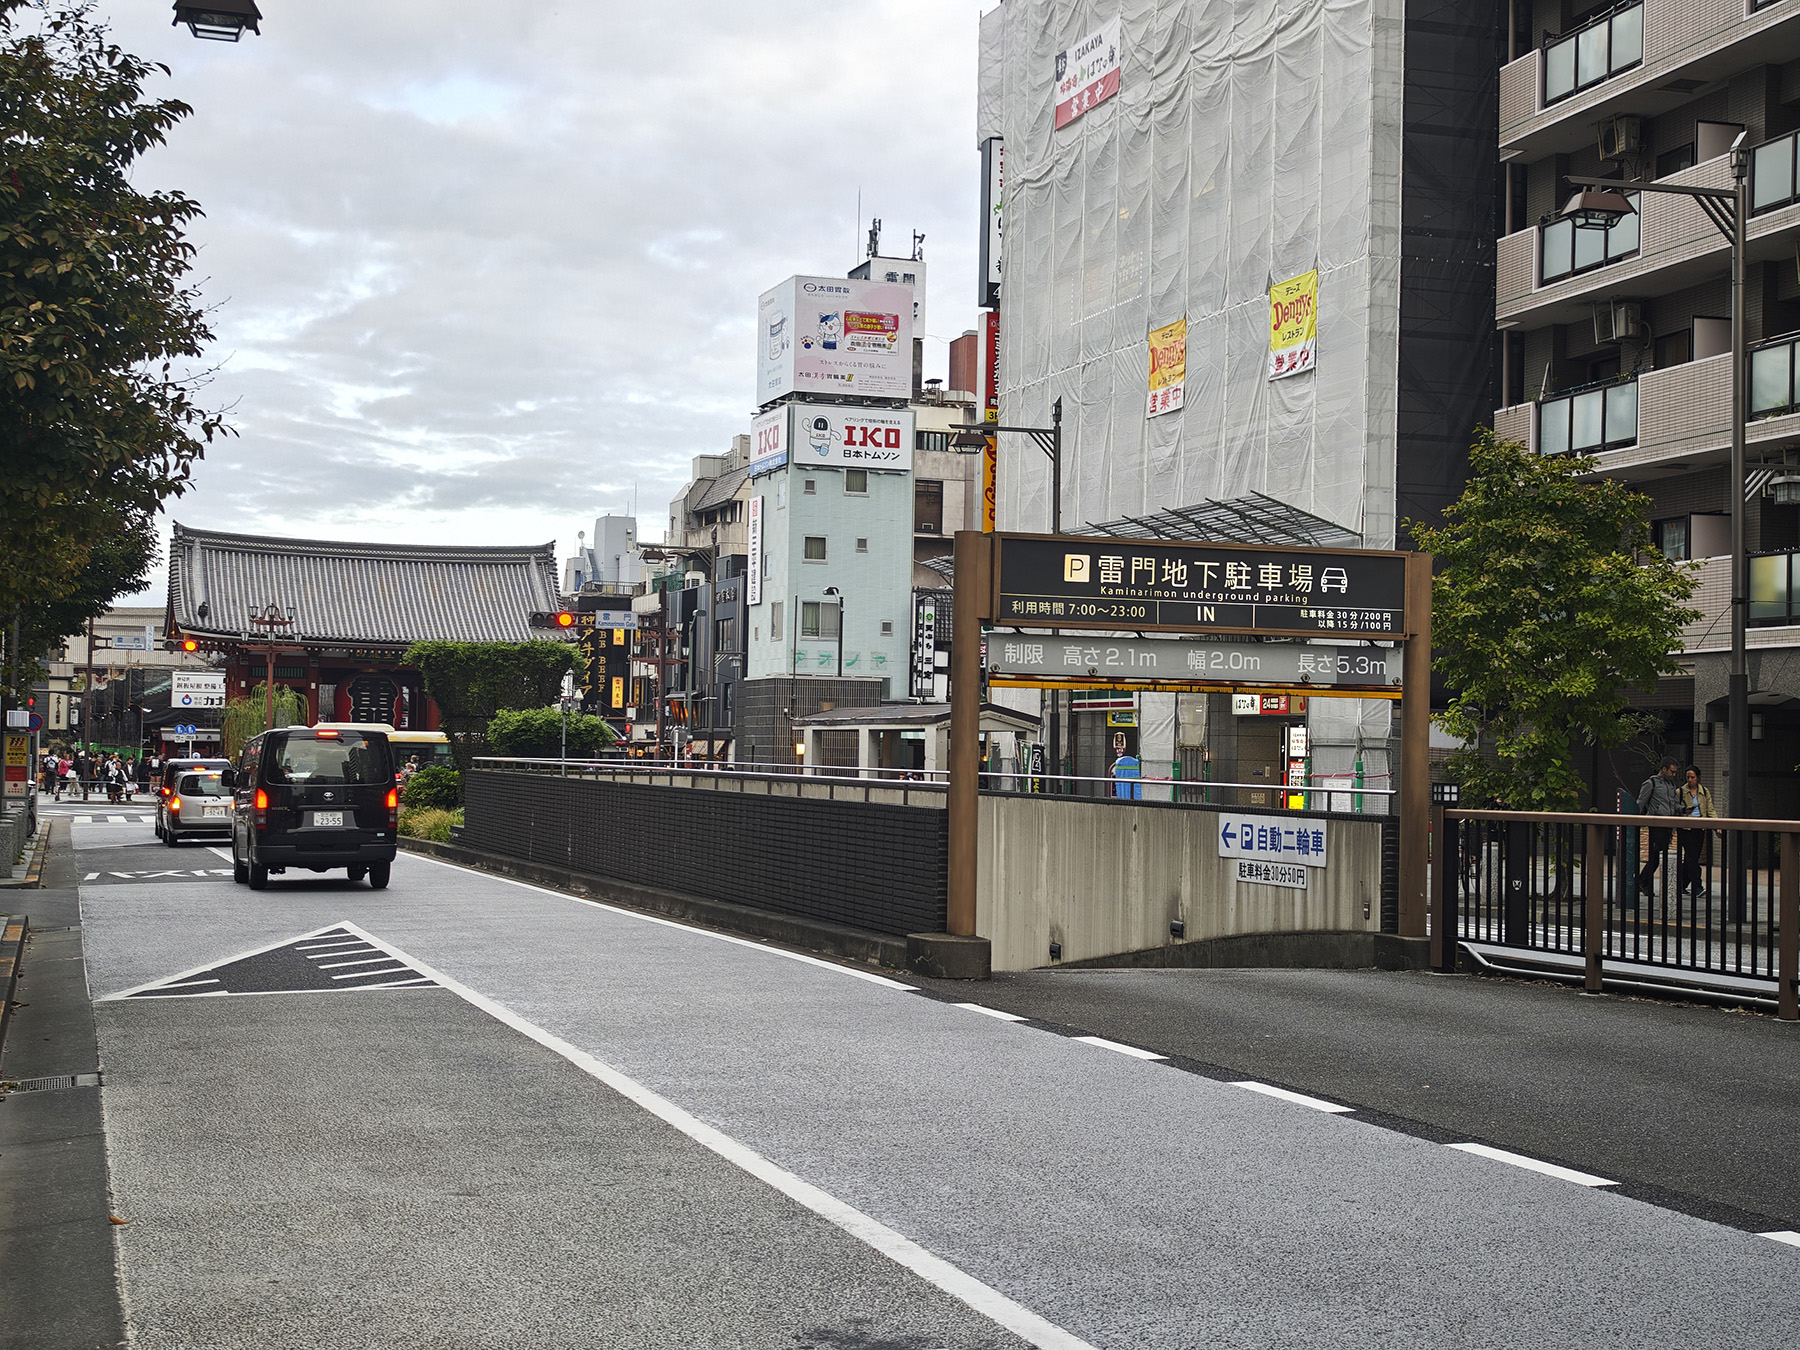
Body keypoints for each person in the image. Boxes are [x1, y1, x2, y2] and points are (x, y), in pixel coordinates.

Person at [1636, 756, 1684, 901]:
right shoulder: (1651, 783)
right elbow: (1640, 802)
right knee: (1657, 855)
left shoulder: (1671, 785)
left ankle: (1643, 882)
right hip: (1656, 823)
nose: (1674, 775)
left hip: (1668, 824)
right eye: (1672, 771)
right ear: (1664, 769)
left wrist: (1682, 810)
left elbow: (1673, 804)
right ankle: (1643, 882)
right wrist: (1635, 820)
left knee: (1657, 856)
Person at [1678, 768, 1717, 901]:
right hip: (1686, 828)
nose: (1690, 780)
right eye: (1688, 777)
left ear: (1698, 777)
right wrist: (1684, 811)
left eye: (1692, 777)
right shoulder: (1681, 792)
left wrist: (1717, 825)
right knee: (1691, 858)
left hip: (1700, 828)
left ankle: (1681, 884)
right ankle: (1697, 886)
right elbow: (1675, 809)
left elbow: (1710, 809)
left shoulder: (1704, 791)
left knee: (1692, 858)